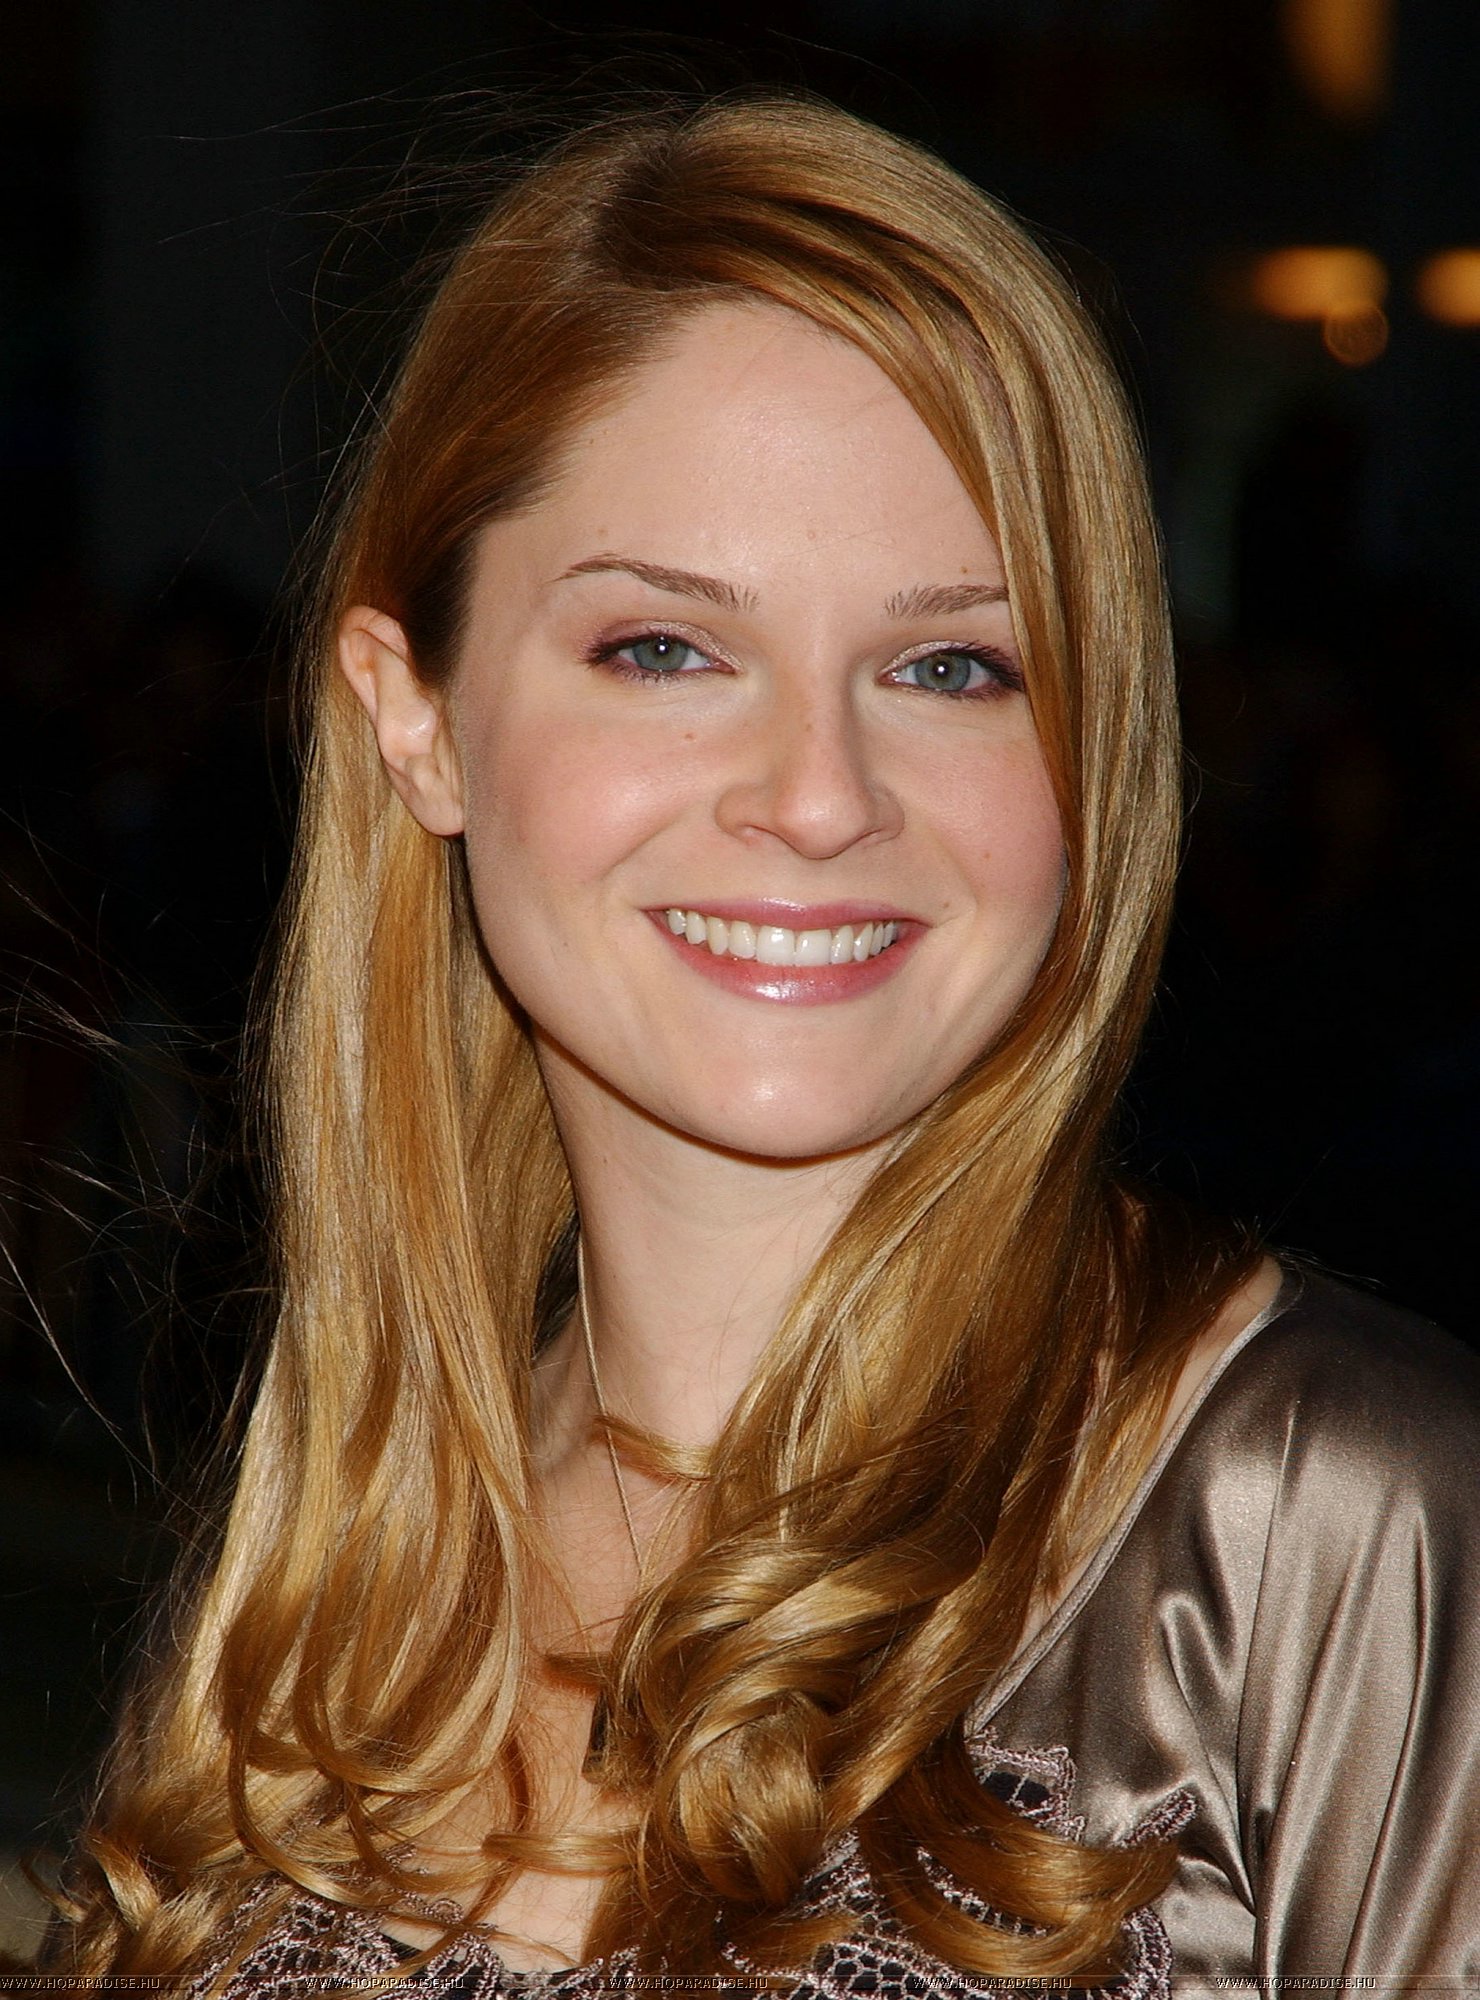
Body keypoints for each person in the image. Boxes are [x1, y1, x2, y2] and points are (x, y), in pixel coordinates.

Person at [41, 93, 1480, 1996]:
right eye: (666, 649)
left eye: (951, 665)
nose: (817, 794)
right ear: (418, 717)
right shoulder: (333, 1577)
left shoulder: (1335, 1524)